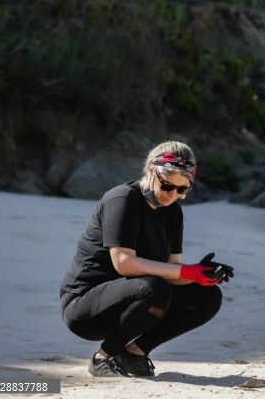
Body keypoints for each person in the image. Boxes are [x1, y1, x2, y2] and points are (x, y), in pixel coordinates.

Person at [60, 141, 234, 377]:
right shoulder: (123, 199)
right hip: (86, 307)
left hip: (136, 298)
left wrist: (201, 273)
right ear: (151, 171)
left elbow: (172, 270)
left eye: (182, 190)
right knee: (155, 287)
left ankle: (135, 353)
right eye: (167, 186)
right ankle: (103, 358)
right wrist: (186, 272)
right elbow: (124, 263)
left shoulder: (172, 211)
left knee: (208, 297)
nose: (173, 195)